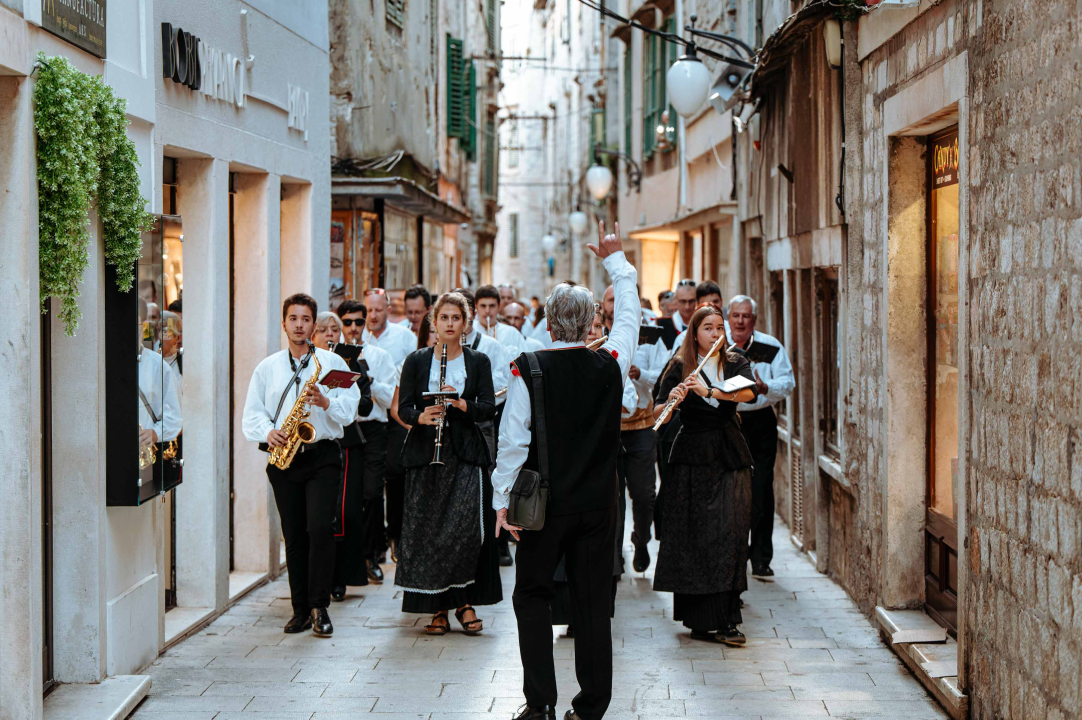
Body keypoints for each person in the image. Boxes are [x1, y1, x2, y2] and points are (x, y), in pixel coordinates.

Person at [494, 222, 639, 720]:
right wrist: (616, 264)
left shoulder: (527, 368)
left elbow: (512, 445)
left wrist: (499, 502)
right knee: (593, 604)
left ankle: (540, 705)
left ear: (549, 325)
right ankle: (592, 706)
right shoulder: (612, 363)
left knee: (531, 596)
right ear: (592, 324)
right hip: (599, 505)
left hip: (545, 507)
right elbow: (631, 323)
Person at [241, 293, 361, 637]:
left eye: (305, 319)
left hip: (322, 455)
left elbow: (349, 409)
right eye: (292, 318)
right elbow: (252, 413)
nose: (299, 325)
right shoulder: (267, 368)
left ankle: (319, 606)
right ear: (283, 324)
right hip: (284, 458)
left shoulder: (332, 364)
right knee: (293, 536)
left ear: (314, 324)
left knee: (319, 529)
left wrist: (325, 401)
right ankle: (299, 610)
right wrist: (269, 431)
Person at [395, 292, 502, 636]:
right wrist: (421, 417)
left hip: (465, 453)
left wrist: (461, 403)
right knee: (430, 532)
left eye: (457, 318)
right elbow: (404, 407)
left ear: (466, 323)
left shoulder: (479, 361)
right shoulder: (416, 360)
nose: (450, 324)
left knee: (464, 531)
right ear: (434, 322)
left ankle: (464, 602)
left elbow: (488, 406)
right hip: (427, 455)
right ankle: (437, 607)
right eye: (444, 318)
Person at [652, 305, 757, 647]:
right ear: (695, 333)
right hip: (690, 456)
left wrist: (709, 392)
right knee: (694, 536)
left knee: (730, 534)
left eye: (718, 327)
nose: (715, 333)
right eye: (708, 328)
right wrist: (672, 399)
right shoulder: (680, 365)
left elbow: (749, 392)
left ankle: (728, 620)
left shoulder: (734, 360)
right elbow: (658, 414)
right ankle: (699, 618)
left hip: (728, 452)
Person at [726, 294, 795, 577]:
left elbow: (787, 381)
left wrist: (766, 388)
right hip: (729, 422)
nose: (741, 321)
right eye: (736, 315)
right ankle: (734, 555)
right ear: (729, 318)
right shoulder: (719, 347)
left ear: (754, 319)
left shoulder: (770, 346)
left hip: (761, 423)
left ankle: (761, 558)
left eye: (746, 316)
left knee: (762, 488)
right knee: (731, 489)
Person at [602, 285, 667, 573]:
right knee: (611, 498)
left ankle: (641, 540)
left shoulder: (651, 338)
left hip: (641, 427)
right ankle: (614, 559)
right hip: (607, 431)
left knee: (643, 496)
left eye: (622, 298)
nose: (616, 305)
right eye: (611, 299)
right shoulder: (595, 335)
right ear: (603, 304)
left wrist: (639, 374)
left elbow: (665, 380)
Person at [338, 299, 398, 583]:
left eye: (358, 322)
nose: (353, 328)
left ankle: (371, 554)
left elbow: (389, 401)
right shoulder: (333, 357)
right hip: (346, 429)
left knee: (373, 493)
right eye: (347, 322)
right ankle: (351, 557)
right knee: (348, 499)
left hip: (374, 428)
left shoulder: (380, 356)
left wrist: (368, 380)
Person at [457, 287, 514, 566]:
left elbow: (504, 383)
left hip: (483, 421)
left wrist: (479, 397)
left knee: (491, 481)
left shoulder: (491, 347)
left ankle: (498, 544)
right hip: (454, 423)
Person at [329, 323, 375, 601]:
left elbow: (366, 405)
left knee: (344, 514)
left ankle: (341, 576)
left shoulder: (353, 364)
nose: (330, 334)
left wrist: (347, 381)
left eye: (334, 329)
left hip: (346, 442)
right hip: (311, 443)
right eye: (324, 329)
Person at [362, 288, 418, 365]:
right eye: (369, 310)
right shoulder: (357, 336)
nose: (373, 316)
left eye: (378, 310)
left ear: (388, 311)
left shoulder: (405, 336)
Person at [475, 284, 526, 353]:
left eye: (492, 306)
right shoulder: (469, 331)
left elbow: (523, 360)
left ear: (499, 306)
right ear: (476, 306)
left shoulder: (512, 333)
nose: (487, 311)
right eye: (483, 306)